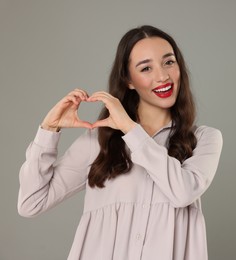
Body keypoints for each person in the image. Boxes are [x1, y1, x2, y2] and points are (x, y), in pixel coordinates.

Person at [18, 25, 223, 260]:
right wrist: (48, 129)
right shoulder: (99, 140)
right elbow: (31, 203)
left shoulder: (204, 139)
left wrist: (130, 129)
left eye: (169, 62)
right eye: (146, 68)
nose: (162, 76)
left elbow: (183, 193)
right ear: (129, 81)